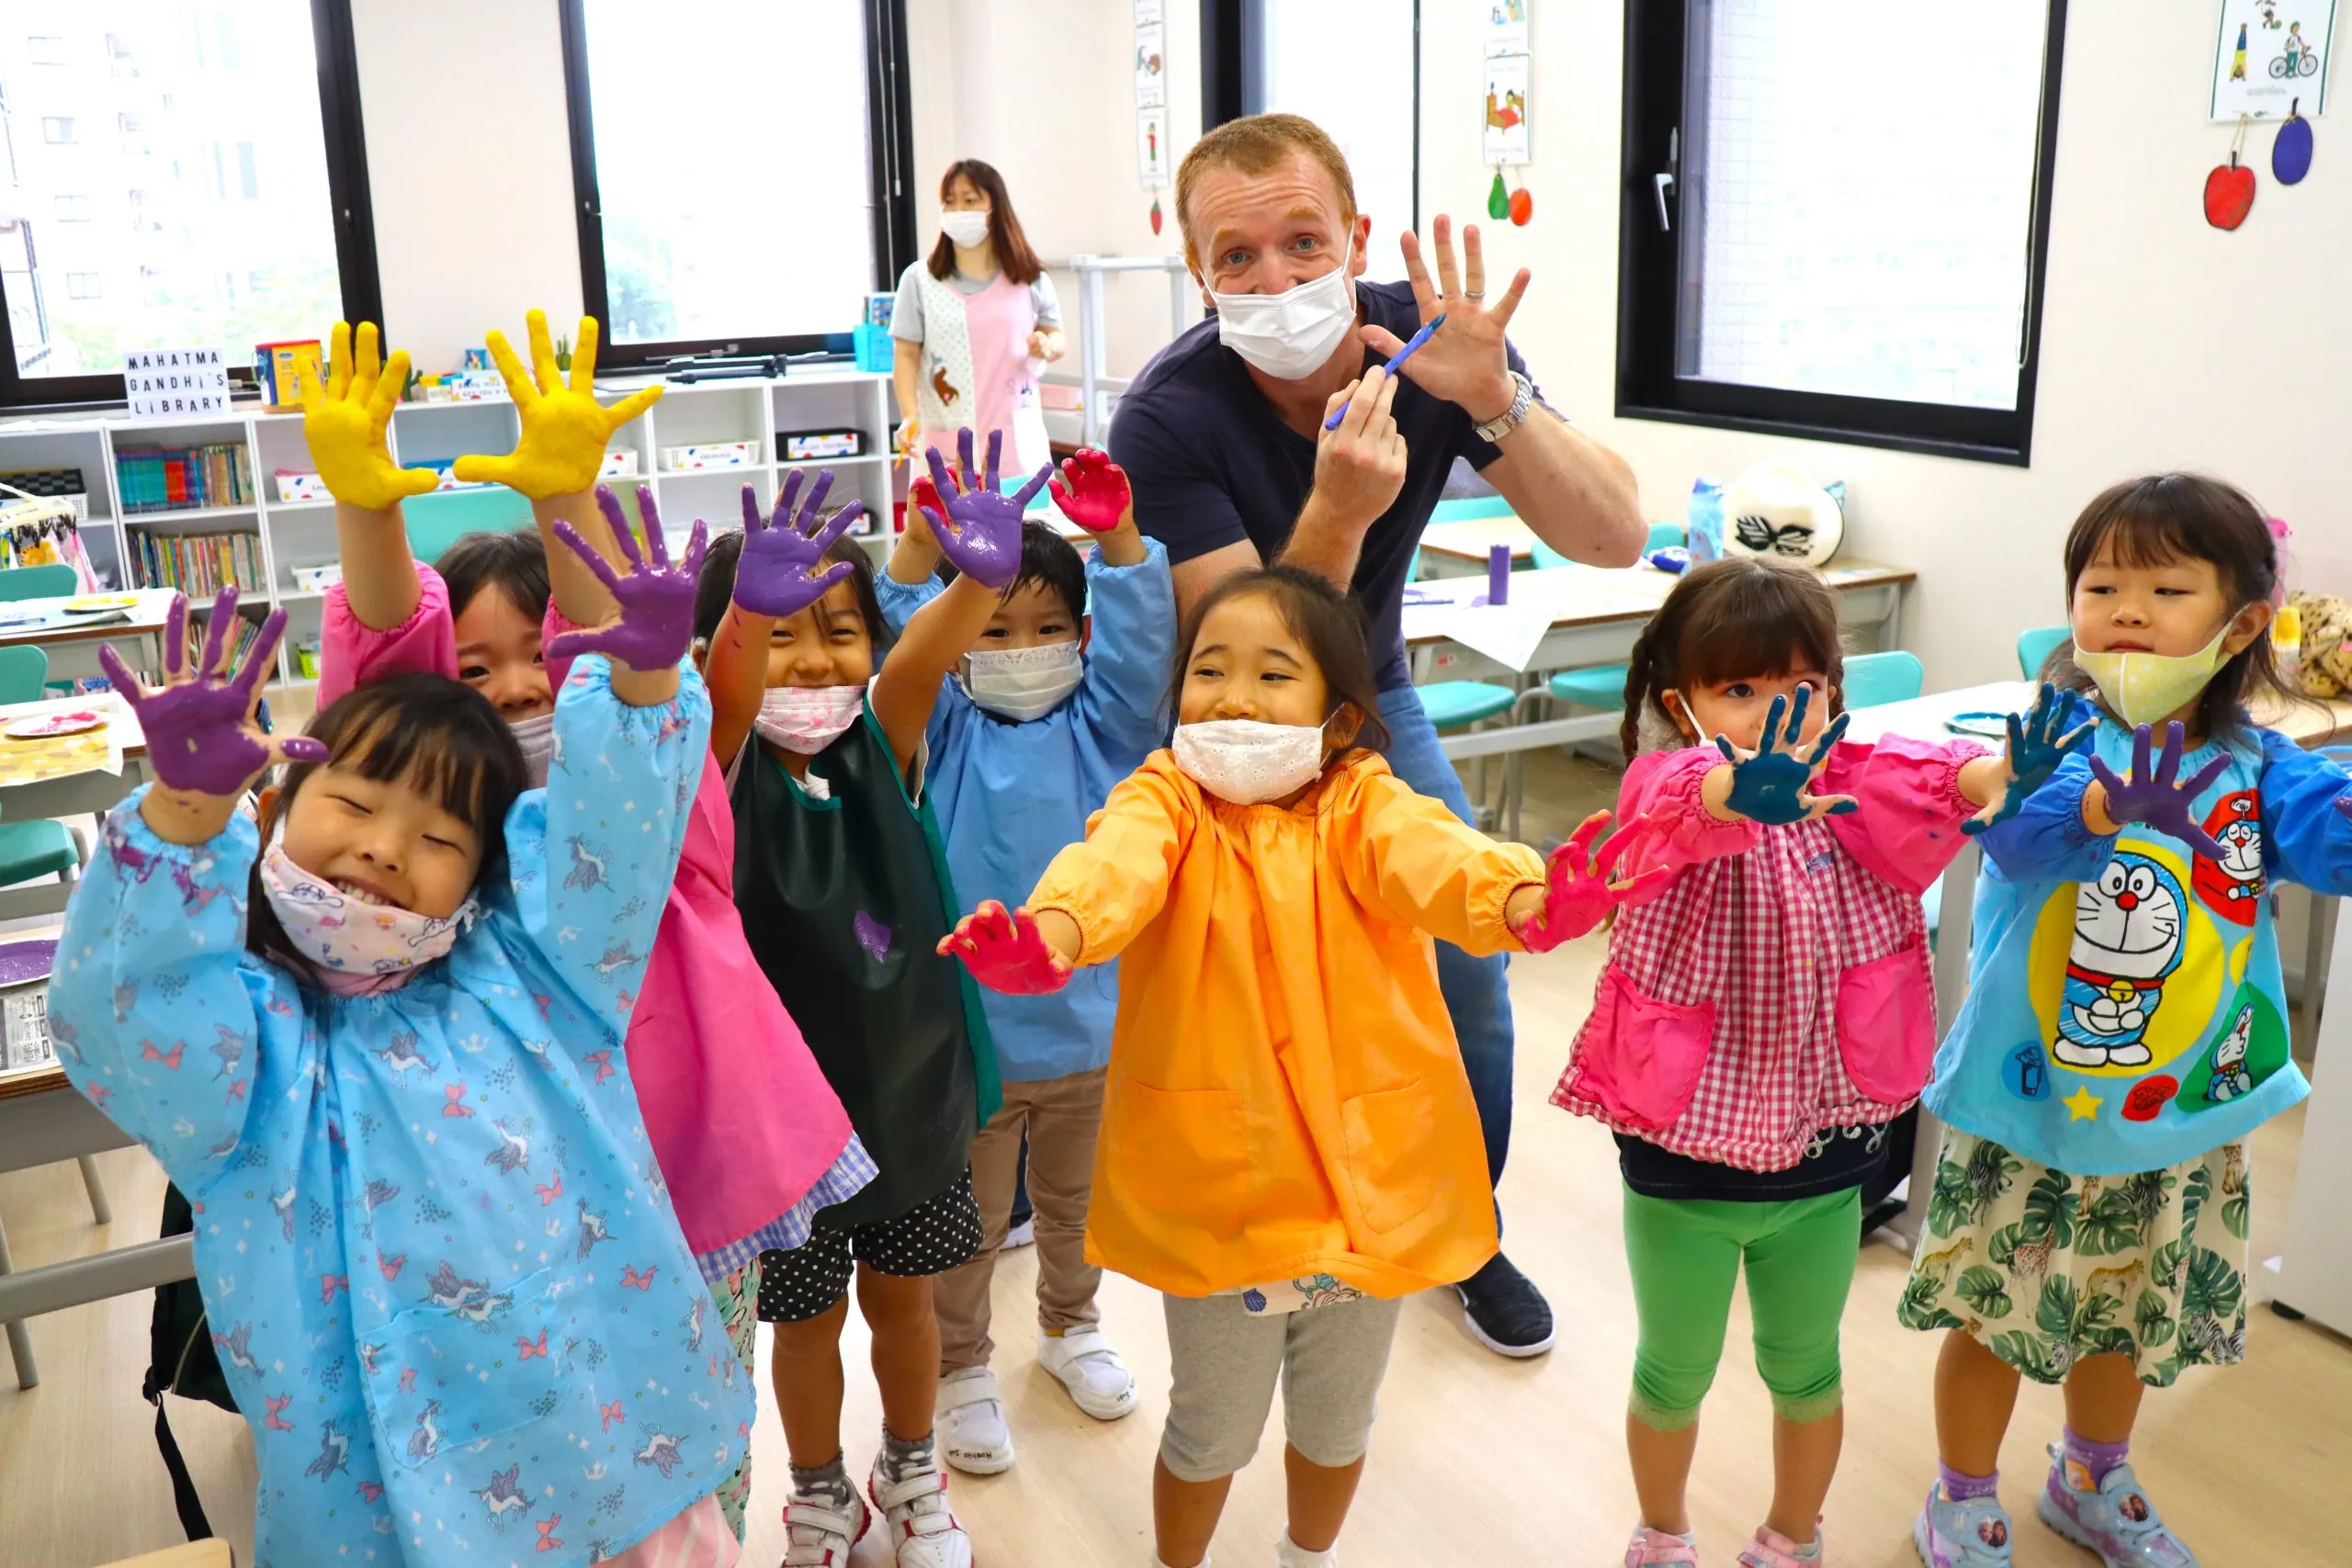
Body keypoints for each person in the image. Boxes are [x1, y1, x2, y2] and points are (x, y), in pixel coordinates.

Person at [51, 536, 755, 1566]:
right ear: (278, 810)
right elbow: (133, 1017)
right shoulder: (249, 1043)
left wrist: (647, 688)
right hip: (383, 1506)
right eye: (353, 803)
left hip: (609, 1454)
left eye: (437, 839)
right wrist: (181, 826)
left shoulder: (536, 977)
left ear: (482, 879)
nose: (385, 846)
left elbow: (615, 838)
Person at [309, 316, 874, 1539]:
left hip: (681, 1190)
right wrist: (367, 521)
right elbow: (378, 709)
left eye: (540, 657)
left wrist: (571, 498)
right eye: (476, 669)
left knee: (695, 1460)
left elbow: (629, 683)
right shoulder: (421, 879)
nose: (516, 686)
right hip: (513, 1227)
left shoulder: (657, 813)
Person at [1108, 110, 1646, 1355]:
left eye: (1305, 240)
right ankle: (1284, 1221)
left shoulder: (1433, 335)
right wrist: (1340, 510)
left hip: (1375, 697)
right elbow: (1239, 657)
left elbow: (1617, 534)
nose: (1277, 278)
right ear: (1198, 275)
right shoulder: (1168, 419)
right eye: (1235, 257)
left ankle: (1470, 1229)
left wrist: (1496, 397)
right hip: (1225, 727)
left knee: (1468, 967)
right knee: (1255, 992)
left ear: (1355, 234)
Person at [940, 565, 1608, 1568]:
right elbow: (1109, 866)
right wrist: (1056, 934)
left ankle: (1308, 1555)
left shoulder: (1364, 804)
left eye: (1271, 674)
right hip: (1223, 1198)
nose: (1235, 698)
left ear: (1338, 722)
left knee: (1339, 1426)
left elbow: (1438, 857)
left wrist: (1524, 898)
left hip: (1366, 1192)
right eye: (1209, 671)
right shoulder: (1166, 798)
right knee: (1210, 1430)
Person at [1549, 556, 2065, 1568]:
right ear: (1681, 702)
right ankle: (1661, 1533)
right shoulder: (1667, 777)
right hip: (1681, 1150)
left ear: (1834, 685)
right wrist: (1739, 790)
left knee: (1806, 1368)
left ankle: (1794, 1535)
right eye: (1737, 689)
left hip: (1829, 1152)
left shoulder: (1857, 776)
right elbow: (1684, 802)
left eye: (1799, 685)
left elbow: (1932, 779)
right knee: (1671, 1371)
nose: (1772, 710)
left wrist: (2002, 776)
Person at [1905, 476, 2349, 1568]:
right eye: (2101, 583)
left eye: (2165, 586)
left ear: (2242, 623)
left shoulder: (2261, 768)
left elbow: (2334, 846)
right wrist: (2105, 804)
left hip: (2181, 1109)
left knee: (2126, 1315)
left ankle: (2089, 1476)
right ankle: (1960, 1494)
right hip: (2035, 1103)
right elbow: (2018, 838)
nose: (2128, 609)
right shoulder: (2049, 743)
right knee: (1988, 1311)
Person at [700, 431, 1053, 1568]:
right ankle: (818, 1494)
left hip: (904, 1101)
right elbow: (719, 700)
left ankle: (911, 1475)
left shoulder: (887, 742)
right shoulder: (715, 765)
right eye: (780, 635)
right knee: (799, 1333)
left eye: (836, 633)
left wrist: (978, 586)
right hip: (779, 1132)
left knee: (904, 1311)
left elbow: (910, 669)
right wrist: (741, 629)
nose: (811, 663)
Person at [877, 441, 1176, 1473]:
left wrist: (1122, 540)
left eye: (1050, 628)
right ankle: (961, 1365)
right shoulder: (946, 729)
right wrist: (925, 557)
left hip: (1093, 1030)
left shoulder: (1107, 726)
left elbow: (1141, 656)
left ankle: (1072, 1328)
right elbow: (903, 654)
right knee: (964, 1221)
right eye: (995, 628)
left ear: (1082, 637)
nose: (1023, 646)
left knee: (1074, 1206)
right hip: (973, 1045)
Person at [892, 159, 1064, 474]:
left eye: (970, 200)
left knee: (1022, 522)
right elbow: (905, 354)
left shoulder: (1029, 278)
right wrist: (909, 414)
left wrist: (1048, 345)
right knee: (943, 519)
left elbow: (1055, 333)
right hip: (945, 441)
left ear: (995, 208)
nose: (958, 210)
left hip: (1015, 439)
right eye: (949, 201)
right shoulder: (919, 280)